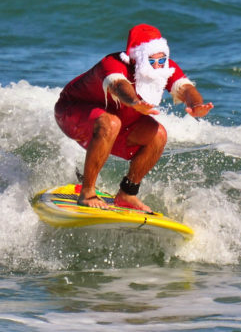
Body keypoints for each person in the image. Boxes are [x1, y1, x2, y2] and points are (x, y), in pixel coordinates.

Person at [54, 24, 214, 212]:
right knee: (111, 123)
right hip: (71, 113)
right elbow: (118, 85)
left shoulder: (163, 67)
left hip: (117, 120)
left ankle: (127, 193)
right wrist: (133, 102)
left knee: (158, 134)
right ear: (138, 57)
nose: (157, 65)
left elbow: (186, 88)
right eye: (152, 61)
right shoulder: (113, 63)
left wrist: (195, 105)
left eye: (161, 60)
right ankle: (87, 192)